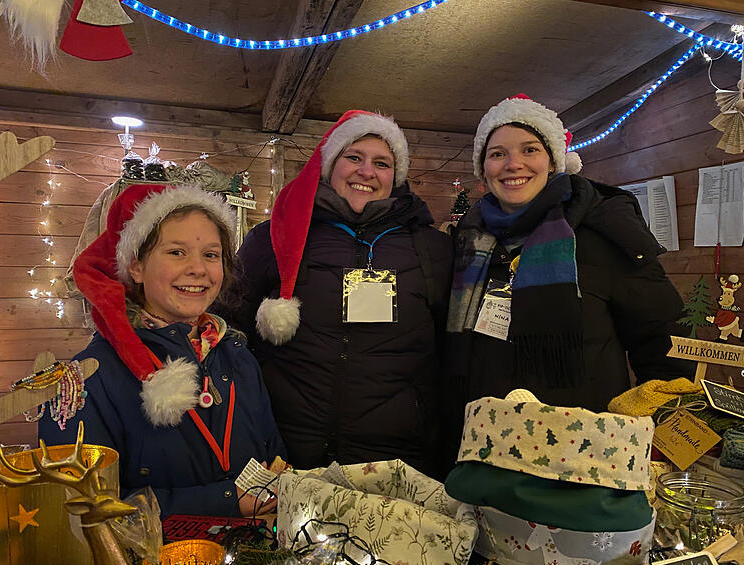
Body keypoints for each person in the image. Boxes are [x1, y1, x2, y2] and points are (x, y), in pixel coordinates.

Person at [217, 111, 453, 477]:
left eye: (382, 163)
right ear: (330, 167)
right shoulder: (275, 237)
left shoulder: (432, 250)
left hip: (396, 458)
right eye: (354, 157)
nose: (367, 171)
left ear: (397, 176)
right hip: (287, 449)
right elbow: (230, 328)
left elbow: (448, 346)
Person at [39, 184, 285, 519]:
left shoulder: (238, 356)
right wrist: (224, 501)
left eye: (211, 255)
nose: (198, 269)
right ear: (136, 267)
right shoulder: (85, 380)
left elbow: (273, 452)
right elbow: (79, 508)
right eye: (176, 252)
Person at [447, 94, 691, 418]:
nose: (513, 164)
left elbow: (664, 343)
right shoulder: (469, 242)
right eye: (497, 154)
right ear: (483, 169)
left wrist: (661, 421)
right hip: (481, 444)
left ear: (552, 161)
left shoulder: (604, 233)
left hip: (580, 449)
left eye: (530, 149)